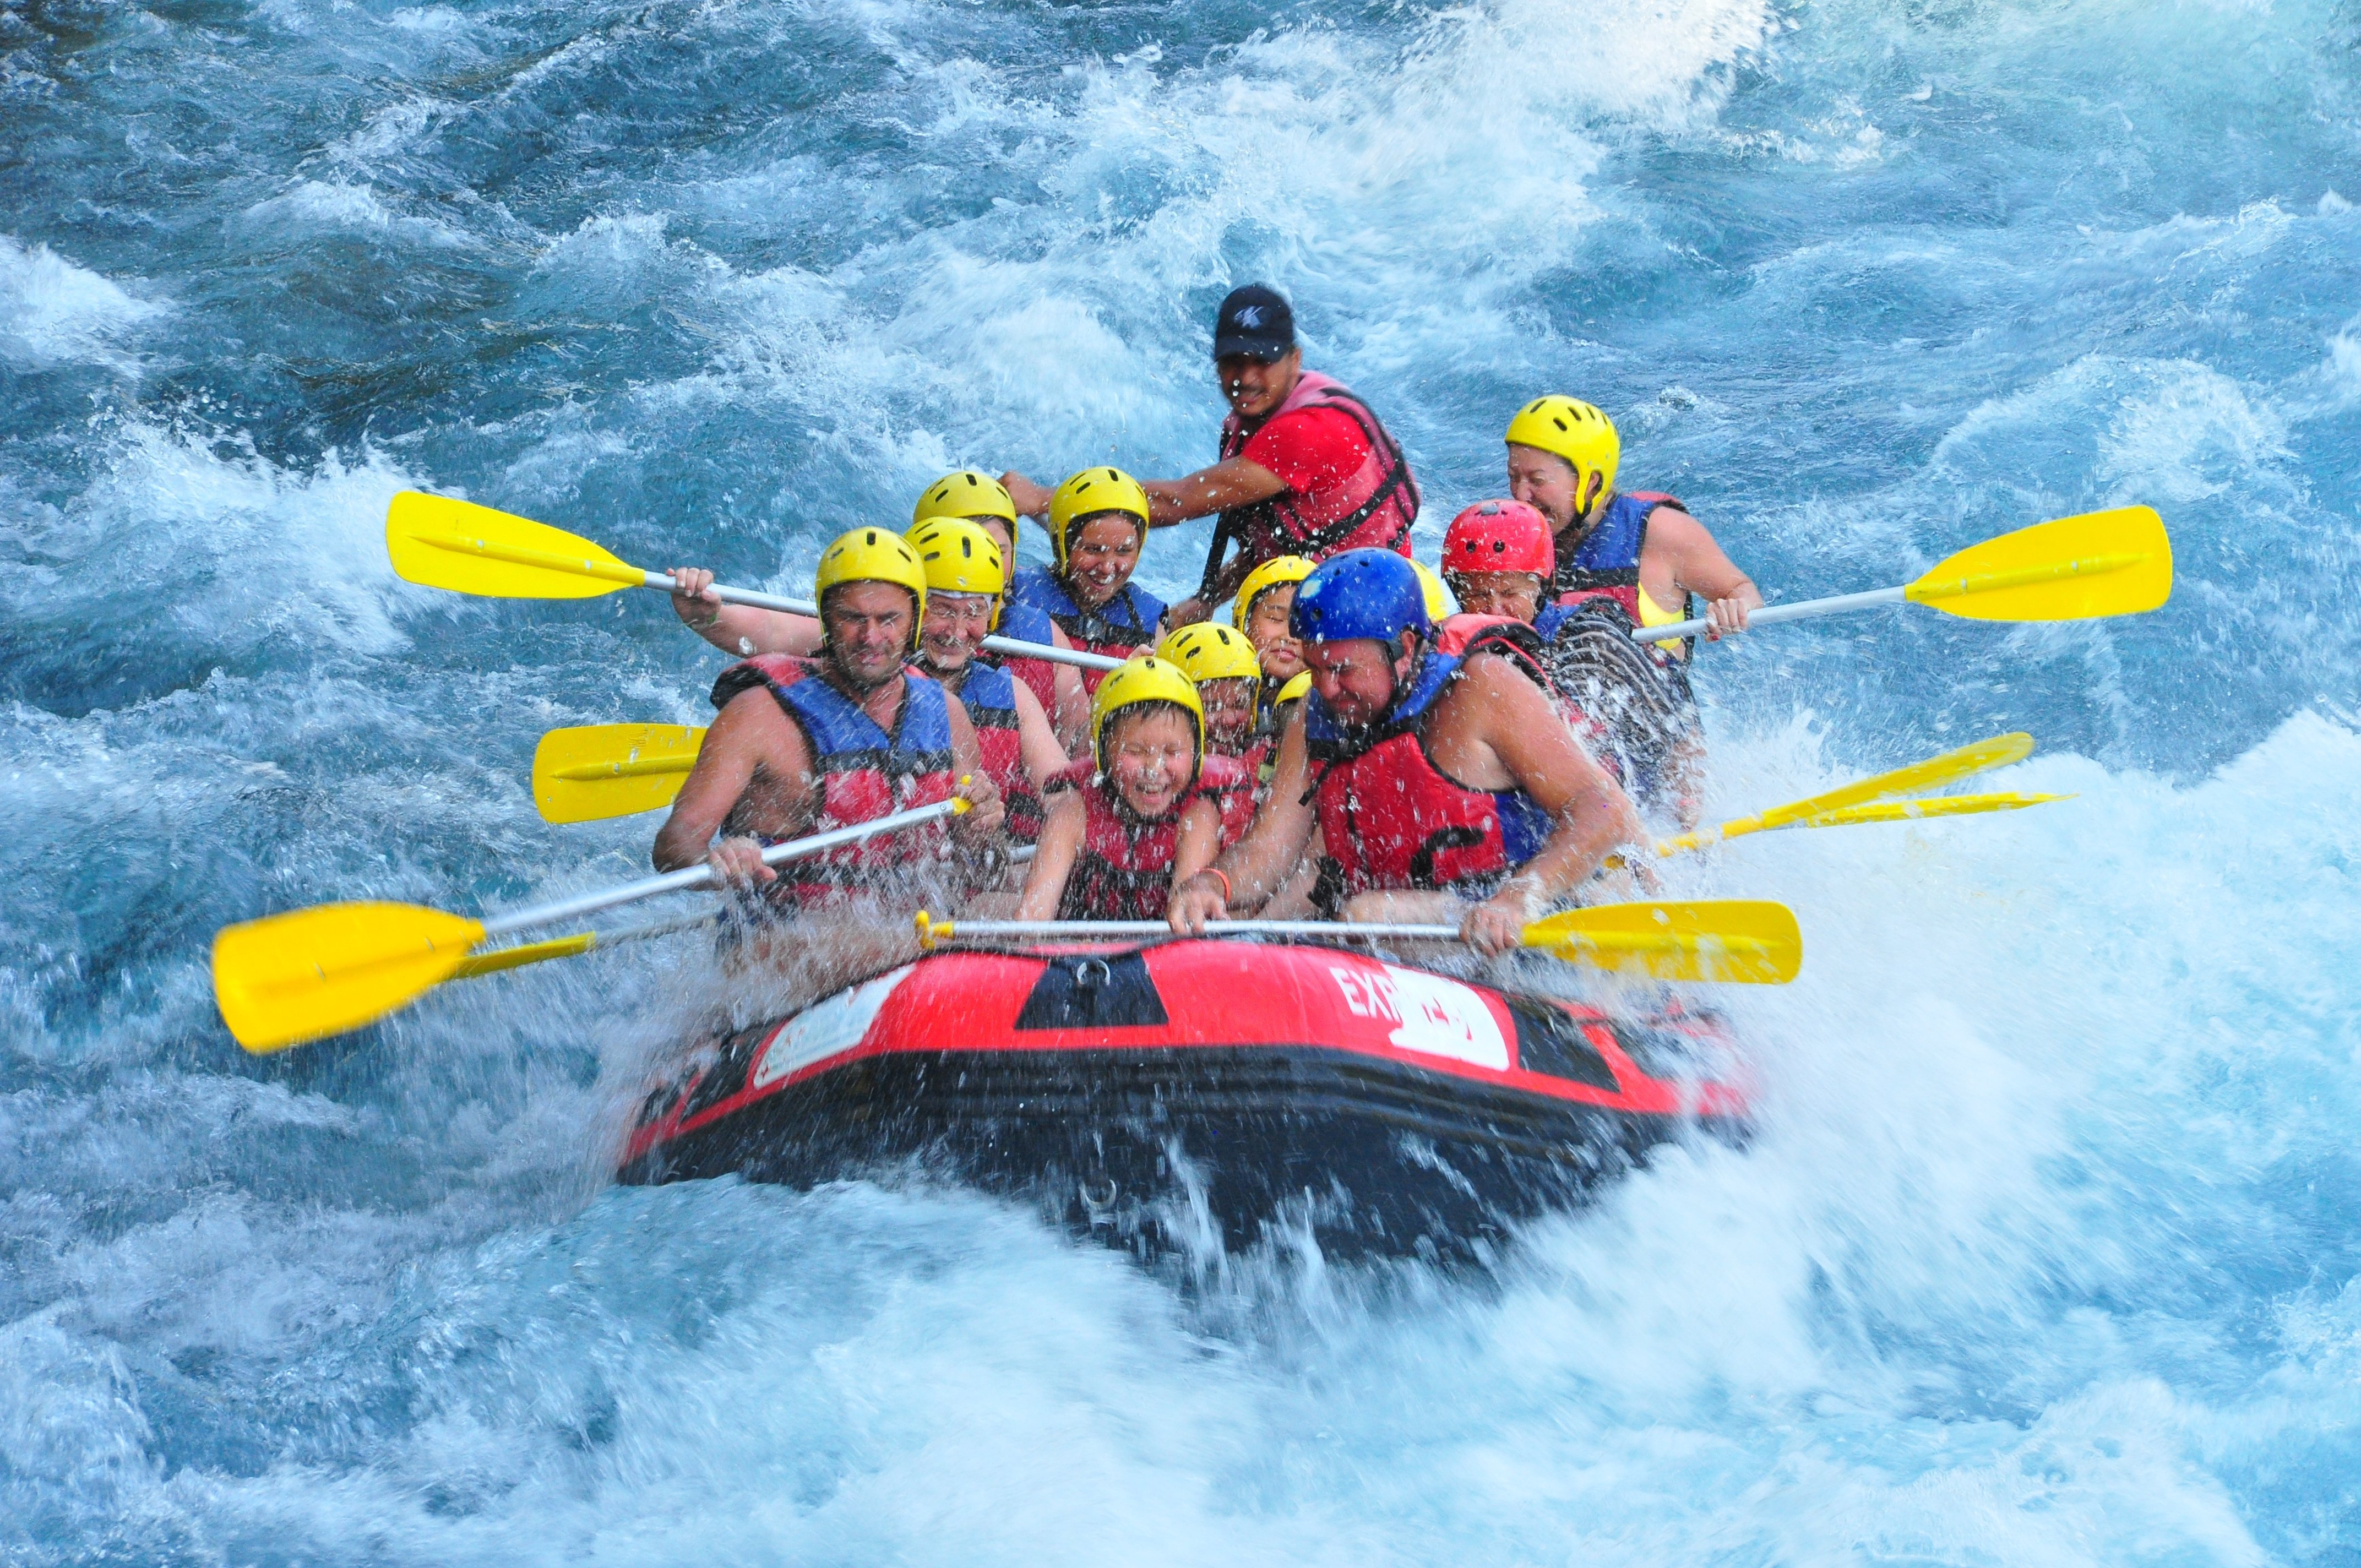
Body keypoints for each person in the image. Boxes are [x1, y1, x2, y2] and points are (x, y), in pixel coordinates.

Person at [1167, 549, 1642, 954]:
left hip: (1532, 910)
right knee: (1284, 924)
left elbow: (1604, 808)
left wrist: (1520, 897)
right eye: (1316, 669)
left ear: (1406, 648)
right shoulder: (1315, 714)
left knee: (1366, 915)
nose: (1327, 689)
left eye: (1344, 670)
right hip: (1424, 917)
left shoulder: (1480, 688)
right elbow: (1271, 847)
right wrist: (1213, 884)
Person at [1002, 285, 1419, 625]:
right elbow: (1275, 546)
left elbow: (1177, 502)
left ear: (1295, 360)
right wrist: (1206, 599)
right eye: (1233, 362)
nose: (1246, 378)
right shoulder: (1260, 418)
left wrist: (1039, 498)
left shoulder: (1307, 430)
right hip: (1328, 588)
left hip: (1372, 607)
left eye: (1262, 362)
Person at [653, 527, 1003, 911]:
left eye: (889, 619)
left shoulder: (948, 714)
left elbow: (978, 871)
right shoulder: (758, 716)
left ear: (914, 622)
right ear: (826, 620)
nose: (871, 637)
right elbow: (674, 848)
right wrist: (720, 860)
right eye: (853, 618)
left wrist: (980, 829)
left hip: (916, 929)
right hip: (787, 932)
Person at [1440, 498, 1705, 827]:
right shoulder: (1454, 650)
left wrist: (1687, 814)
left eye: (1510, 594)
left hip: (1633, 798)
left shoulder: (1592, 637)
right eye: (1478, 595)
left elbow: (1678, 726)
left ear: (1542, 585)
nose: (1494, 610)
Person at [1503, 395, 1761, 653]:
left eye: (1537, 481)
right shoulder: (1505, 536)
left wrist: (1734, 609)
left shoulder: (1660, 532)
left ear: (1591, 482)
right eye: (1514, 477)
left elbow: (1743, 592)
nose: (1521, 495)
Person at [1018, 657, 1225, 921]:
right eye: (1136, 751)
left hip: (1167, 947)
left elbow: (1187, 920)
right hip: (1080, 946)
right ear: (1103, 754)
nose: (1154, 769)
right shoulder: (1074, 812)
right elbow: (1031, 920)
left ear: (1196, 754)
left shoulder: (1198, 815)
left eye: (1173, 752)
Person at [905, 517, 1068, 846]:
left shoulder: (1014, 695)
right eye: (942, 610)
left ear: (992, 615)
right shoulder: (875, 688)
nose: (957, 631)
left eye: (974, 612)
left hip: (975, 863)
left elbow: (1063, 795)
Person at [911, 470, 1090, 748]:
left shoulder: (1044, 635)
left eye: (998, 550)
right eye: (965, 547)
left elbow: (1076, 739)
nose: (983, 561)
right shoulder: (886, 639)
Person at [1003, 467, 1167, 689]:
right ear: (1061, 546)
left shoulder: (1147, 622)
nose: (1107, 568)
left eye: (1123, 551)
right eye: (1093, 550)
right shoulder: (1014, 594)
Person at [1154, 623, 1262, 843]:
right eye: (1212, 707)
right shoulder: (1151, 772)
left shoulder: (1271, 759)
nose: (1229, 720)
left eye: (1240, 705)